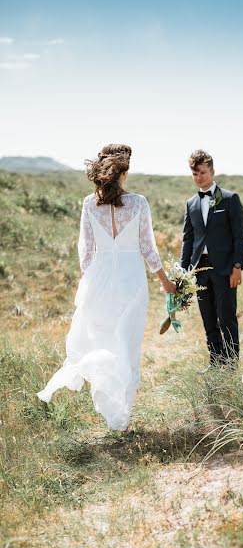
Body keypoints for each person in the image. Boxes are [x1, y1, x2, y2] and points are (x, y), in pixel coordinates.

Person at [37, 144, 175, 431]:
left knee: (101, 339)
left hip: (99, 278)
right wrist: (166, 281)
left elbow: (85, 252)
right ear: (124, 171)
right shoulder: (138, 203)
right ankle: (121, 414)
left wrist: (92, 280)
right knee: (126, 343)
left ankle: (112, 409)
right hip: (131, 279)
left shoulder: (90, 203)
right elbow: (148, 248)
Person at [180, 149, 243, 367]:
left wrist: (238, 266)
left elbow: (239, 236)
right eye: (195, 174)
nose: (199, 177)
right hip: (200, 270)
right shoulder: (191, 203)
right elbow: (188, 240)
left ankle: (231, 365)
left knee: (226, 318)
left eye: (203, 173)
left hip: (225, 268)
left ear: (212, 172)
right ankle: (216, 363)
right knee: (208, 318)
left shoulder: (229, 199)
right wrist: (183, 272)